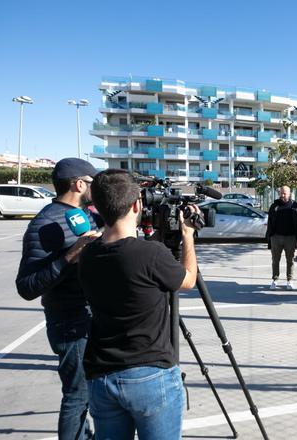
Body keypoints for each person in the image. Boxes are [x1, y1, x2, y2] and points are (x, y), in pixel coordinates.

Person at [78, 169, 198, 439]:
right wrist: (187, 236)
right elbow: (188, 280)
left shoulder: (87, 254)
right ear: (136, 205)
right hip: (149, 374)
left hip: (101, 375)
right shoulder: (150, 254)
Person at [16, 157, 100, 440]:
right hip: (69, 323)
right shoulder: (44, 223)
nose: (95, 188)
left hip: (93, 315)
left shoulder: (85, 214)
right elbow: (26, 287)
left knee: (95, 394)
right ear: (79, 184)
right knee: (77, 397)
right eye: (92, 182)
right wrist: (70, 256)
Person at [265, 185, 297, 290]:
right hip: (276, 237)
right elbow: (270, 221)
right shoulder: (274, 206)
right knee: (275, 260)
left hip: (290, 238)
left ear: (290, 194)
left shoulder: (296, 206)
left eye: (285, 193)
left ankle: (289, 280)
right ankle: (275, 280)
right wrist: (270, 236)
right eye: (281, 193)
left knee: (290, 260)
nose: (283, 195)